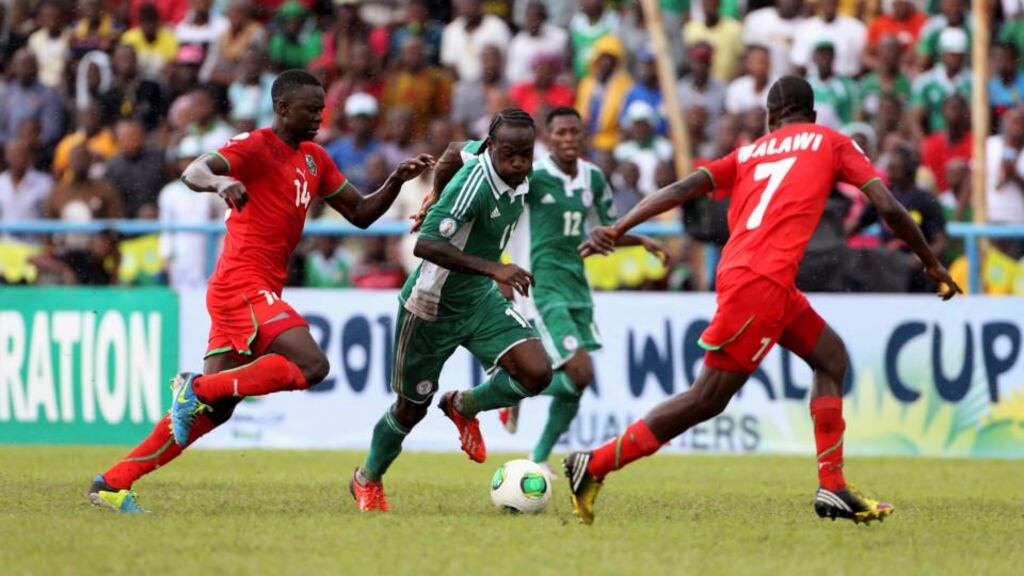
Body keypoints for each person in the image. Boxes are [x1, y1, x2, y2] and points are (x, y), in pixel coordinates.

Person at [565, 76, 960, 526]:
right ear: (811, 115)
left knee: (831, 358)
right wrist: (930, 261)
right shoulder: (830, 141)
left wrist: (618, 228)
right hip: (761, 283)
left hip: (757, 277)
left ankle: (833, 487)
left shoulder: (750, 152)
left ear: (771, 117)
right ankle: (593, 464)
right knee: (706, 399)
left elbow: (679, 190)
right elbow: (888, 207)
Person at [87, 70, 434, 513]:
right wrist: (220, 183)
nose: (319, 116)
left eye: (322, 109)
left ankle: (113, 482)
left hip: (255, 286)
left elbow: (362, 213)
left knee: (215, 410)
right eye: (311, 109)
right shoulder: (253, 145)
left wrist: (396, 181)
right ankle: (198, 387)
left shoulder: (314, 158)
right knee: (311, 364)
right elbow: (196, 170)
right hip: (241, 282)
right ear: (283, 108)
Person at [349, 108, 552, 512]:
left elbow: (455, 150)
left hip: (477, 298)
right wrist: (495, 267)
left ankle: (462, 405)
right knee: (410, 409)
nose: (518, 164)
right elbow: (425, 244)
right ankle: (366, 478)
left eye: (525, 155)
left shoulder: (495, 159)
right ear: (493, 147)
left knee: (536, 372)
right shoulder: (474, 185)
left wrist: (436, 193)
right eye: (510, 154)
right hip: (430, 306)